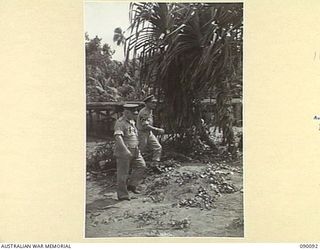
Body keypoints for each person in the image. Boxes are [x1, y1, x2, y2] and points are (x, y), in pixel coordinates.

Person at [113, 103, 146, 201]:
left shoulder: (131, 121)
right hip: (124, 151)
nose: (135, 114)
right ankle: (123, 195)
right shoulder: (120, 123)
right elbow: (118, 137)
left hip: (135, 150)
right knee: (123, 174)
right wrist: (125, 150)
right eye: (133, 113)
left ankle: (132, 185)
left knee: (141, 166)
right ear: (126, 112)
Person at [137, 95, 165, 167]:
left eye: (155, 102)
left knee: (158, 147)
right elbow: (145, 126)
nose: (154, 104)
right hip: (142, 133)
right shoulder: (144, 112)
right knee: (140, 149)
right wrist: (157, 130)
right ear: (147, 103)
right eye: (152, 102)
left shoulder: (150, 111)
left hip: (148, 133)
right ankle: (134, 165)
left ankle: (155, 165)